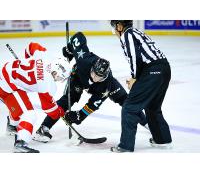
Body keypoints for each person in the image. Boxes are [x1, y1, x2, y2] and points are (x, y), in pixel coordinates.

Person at [33, 32, 148, 143]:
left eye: (98, 76)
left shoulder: (106, 86)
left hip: (99, 89)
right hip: (78, 78)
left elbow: (92, 105)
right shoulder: (84, 59)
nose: (94, 77)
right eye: (93, 73)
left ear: (104, 75)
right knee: (67, 100)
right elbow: (79, 36)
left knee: (127, 101)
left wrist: (79, 116)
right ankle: (43, 128)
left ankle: (149, 124)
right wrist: (69, 49)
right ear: (92, 67)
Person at [110, 20, 172, 152]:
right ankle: (162, 140)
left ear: (119, 26)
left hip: (153, 70)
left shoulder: (127, 34)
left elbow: (135, 57)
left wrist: (134, 77)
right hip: (164, 69)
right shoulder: (136, 32)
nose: (114, 30)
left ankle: (126, 145)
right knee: (153, 106)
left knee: (129, 107)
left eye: (114, 26)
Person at [0, 42, 70, 153]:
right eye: (59, 77)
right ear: (56, 72)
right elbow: (48, 108)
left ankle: (12, 126)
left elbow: (31, 46)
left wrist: (26, 61)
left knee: (21, 103)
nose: (58, 80)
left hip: (7, 73)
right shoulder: (48, 84)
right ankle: (21, 143)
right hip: (8, 86)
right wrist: (60, 112)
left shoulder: (45, 56)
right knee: (29, 114)